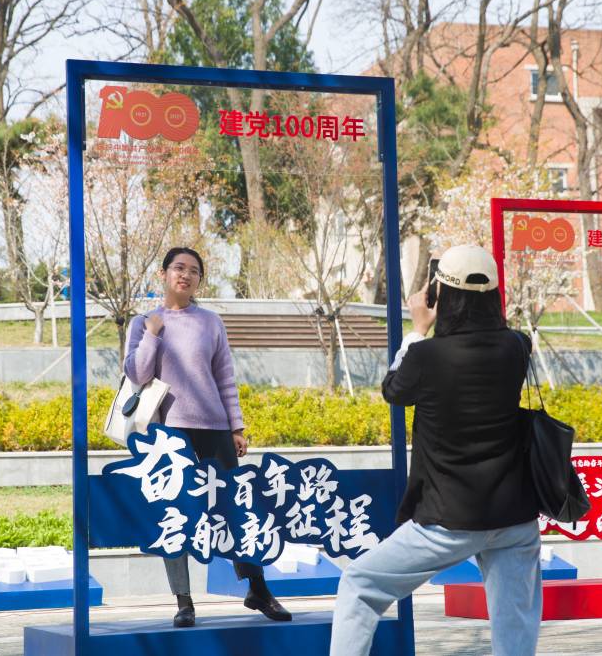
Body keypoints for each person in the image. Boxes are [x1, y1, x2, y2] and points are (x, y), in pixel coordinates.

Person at [329, 244, 542, 656]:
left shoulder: (426, 356)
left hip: (449, 519)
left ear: (438, 294)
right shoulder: (517, 346)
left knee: (360, 583)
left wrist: (417, 329)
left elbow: (394, 390)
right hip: (515, 517)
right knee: (515, 631)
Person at [124, 246, 292, 628]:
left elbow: (225, 378)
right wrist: (152, 335)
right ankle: (183, 602)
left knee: (238, 507)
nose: (185, 275)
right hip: (169, 433)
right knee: (175, 513)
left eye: (194, 271)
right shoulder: (144, 322)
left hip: (215, 428)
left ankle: (258, 589)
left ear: (199, 280)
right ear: (163, 274)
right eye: (178, 268)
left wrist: (236, 427)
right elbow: (137, 373)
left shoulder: (211, 322)